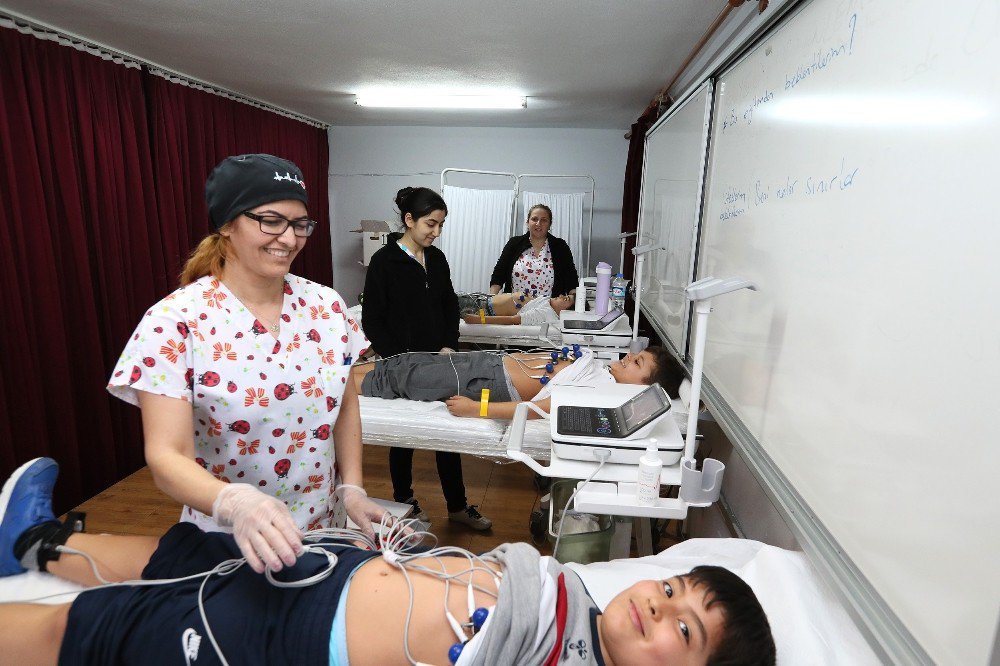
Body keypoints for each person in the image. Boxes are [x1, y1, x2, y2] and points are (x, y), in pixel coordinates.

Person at [0, 457, 777, 666]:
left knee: (97, 630)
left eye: (685, 632)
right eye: (673, 587)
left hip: (288, 644)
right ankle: (32, 547)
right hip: (330, 572)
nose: (658, 604)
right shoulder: (582, 597)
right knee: (195, 550)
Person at [106, 154, 386, 574]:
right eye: (270, 220)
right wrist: (233, 503)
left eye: (300, 224)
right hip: (226, 542)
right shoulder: (175, 322)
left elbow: (344, 407)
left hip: (322, 530)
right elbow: (167, 455)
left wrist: (352, 488)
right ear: (226, 224)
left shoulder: (326, 308)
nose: (289, 239)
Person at [361, 187, 491, 531]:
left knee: (448, 433)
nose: (436, 232)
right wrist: (396, 358)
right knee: (404, 439)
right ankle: (405, 502)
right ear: (409, 220)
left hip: (440, 361)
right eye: (431, 224)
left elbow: (449, 305)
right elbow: (372, 318)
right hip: (402, 366)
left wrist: (450, 344)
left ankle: (458, 506)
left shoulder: (436, 259)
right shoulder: (384, 262)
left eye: (441, 225)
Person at [355, 346, 684, 420]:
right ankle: (330, 373)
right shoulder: (605, 373)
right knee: (400, 364)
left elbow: (537, 410)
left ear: (643, 387)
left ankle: (326, 384)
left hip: (483, 382)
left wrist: (477, 409)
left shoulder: (604, 393)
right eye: (635, 354)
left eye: (637, 363)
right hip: (487, 364)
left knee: (396, 379)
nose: (629, 356)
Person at [489, 204, 579, 299]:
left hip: (549, 310)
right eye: (534, 219)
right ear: (527, 222)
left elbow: (571, 279)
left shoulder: (560, 246)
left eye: (544, 220)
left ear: (549, 224)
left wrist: (575, 302)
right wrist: (491, 301)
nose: (538, 223)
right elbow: (499, 274)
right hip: (513, 308)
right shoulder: (514, 243)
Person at [458, 293, 575, 326]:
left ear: (565, 313)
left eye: (566, 299)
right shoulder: (547, 302)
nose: (561, 296)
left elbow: (513, 320)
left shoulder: (545, 313)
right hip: (482, 299)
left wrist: (480, 320)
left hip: (481, 309)